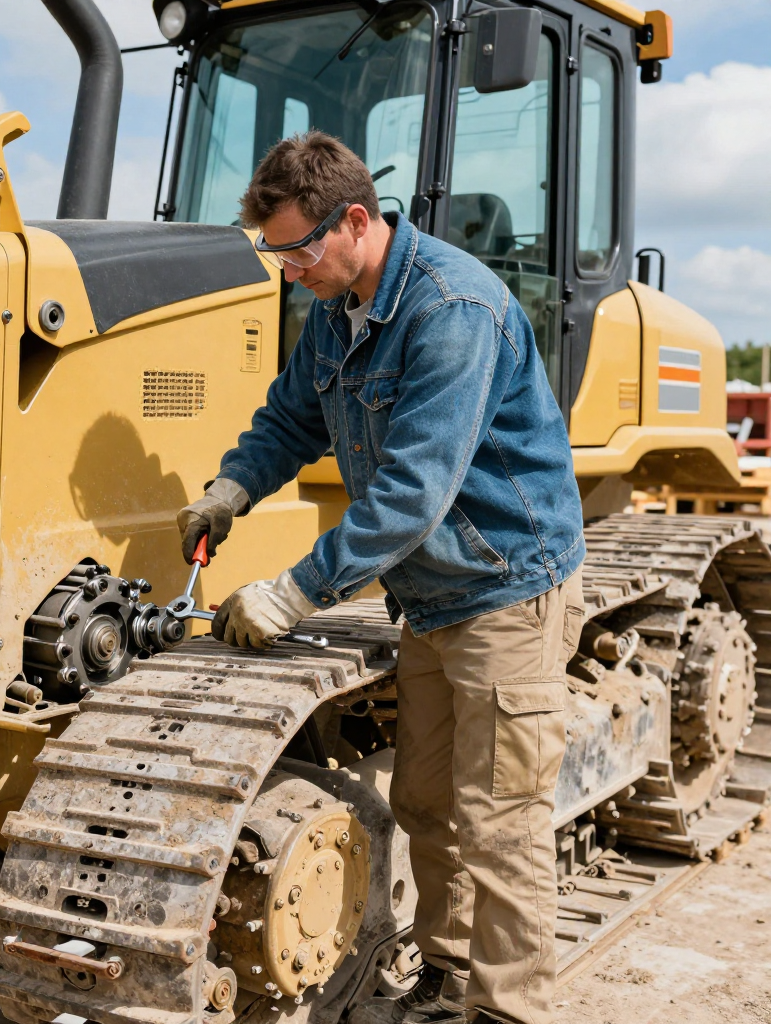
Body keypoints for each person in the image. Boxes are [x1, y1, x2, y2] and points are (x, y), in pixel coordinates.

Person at [177, 132, 585, 1024]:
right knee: (430, 804)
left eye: (297, 250)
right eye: (274, 253)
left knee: (503, 821)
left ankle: (511, 1011)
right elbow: (291, 417)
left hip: (504, 588)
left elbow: (412, 493)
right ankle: (447, 973)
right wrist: (230, 489)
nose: (288, 272)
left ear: (355, 221)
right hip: (430, 598)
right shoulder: (335, 310)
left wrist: (294, 591)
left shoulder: (451, 307)